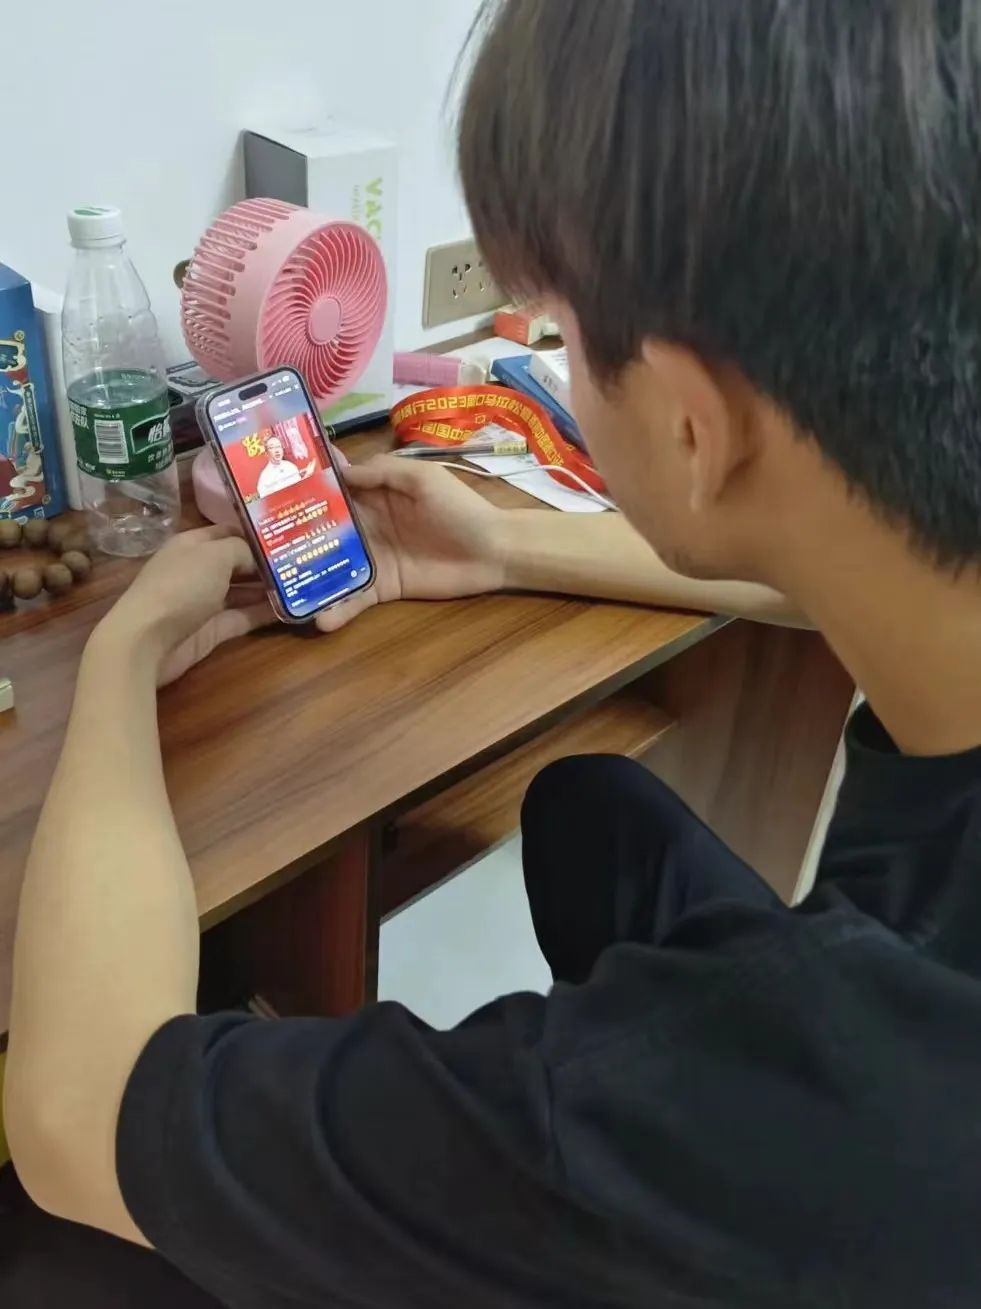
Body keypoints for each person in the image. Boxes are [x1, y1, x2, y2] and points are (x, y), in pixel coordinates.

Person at [7, 1, 981, 1305]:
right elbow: (833, 566)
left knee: (47, 1238)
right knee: (591, 810)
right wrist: (510, 549)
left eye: (558, 334)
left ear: (694, 423)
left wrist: (122, 661)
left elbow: (74, 1117)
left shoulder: (721, 1103)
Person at [255, 434, 301, 499]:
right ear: (266, 453)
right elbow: (266, 499)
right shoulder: (264, 477)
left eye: (278, 446)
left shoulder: (290, 466)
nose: (277, 451)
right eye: (272, 447)